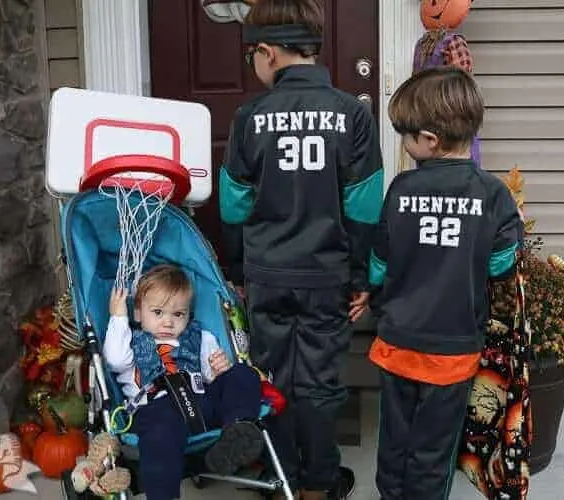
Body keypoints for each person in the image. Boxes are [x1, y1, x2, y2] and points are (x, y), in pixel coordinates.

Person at [218, 1, 384, 498]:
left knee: (273, 378)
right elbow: (365, 207)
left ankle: (282, 478)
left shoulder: (249, 117)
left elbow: (233, 205)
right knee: (320, 383)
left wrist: (240, 271)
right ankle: (319, 483)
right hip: (326, 277)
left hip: (268, 275)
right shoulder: (353, 114)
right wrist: (360, 277)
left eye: (253, 56)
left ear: (267, 53)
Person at [366, 66, 524, 500]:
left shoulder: (401, 189)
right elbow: (501, 265)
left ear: (429, 141)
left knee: (394, 439)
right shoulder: (493, 195)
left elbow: (380, 263)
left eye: (406, 135)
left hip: (399, 342)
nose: (405, 144)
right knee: (433, 448)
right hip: (454, 349)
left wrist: (372, 292)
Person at [103, 264, 264, 500]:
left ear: (188, 314)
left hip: (201, 404)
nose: (168, 322)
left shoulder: (200, 337)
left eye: (178, 314)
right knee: (161, 432)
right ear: (138, 312)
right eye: (158, 312)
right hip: (156, 409)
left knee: (242, 374)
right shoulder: (131, 343)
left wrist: (218, 370)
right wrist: (118, 317)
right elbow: (114, 360)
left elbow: (210, 377)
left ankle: (236, 432)